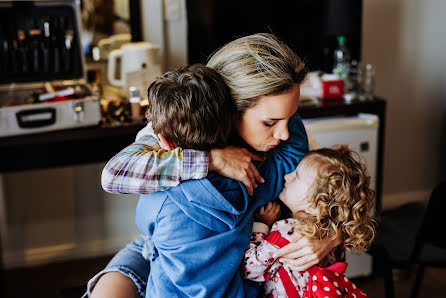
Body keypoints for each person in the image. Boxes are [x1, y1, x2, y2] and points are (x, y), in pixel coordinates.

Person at [87, 33, 341, 298]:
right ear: (229, 109)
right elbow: (116, 174)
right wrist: (211, 159)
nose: (286, 133)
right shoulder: (178, 126)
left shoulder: (287, 140)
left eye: (292, 116)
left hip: (251, 253)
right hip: (166, 249)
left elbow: (345, 197)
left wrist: (329, 234)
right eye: (270, 122)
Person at [241, 146, 376, 297]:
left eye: (296, 176)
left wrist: (262, 225)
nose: (287, 176)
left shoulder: (287, 231)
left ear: (314, 205)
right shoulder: (336, 236)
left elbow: (249, 269)